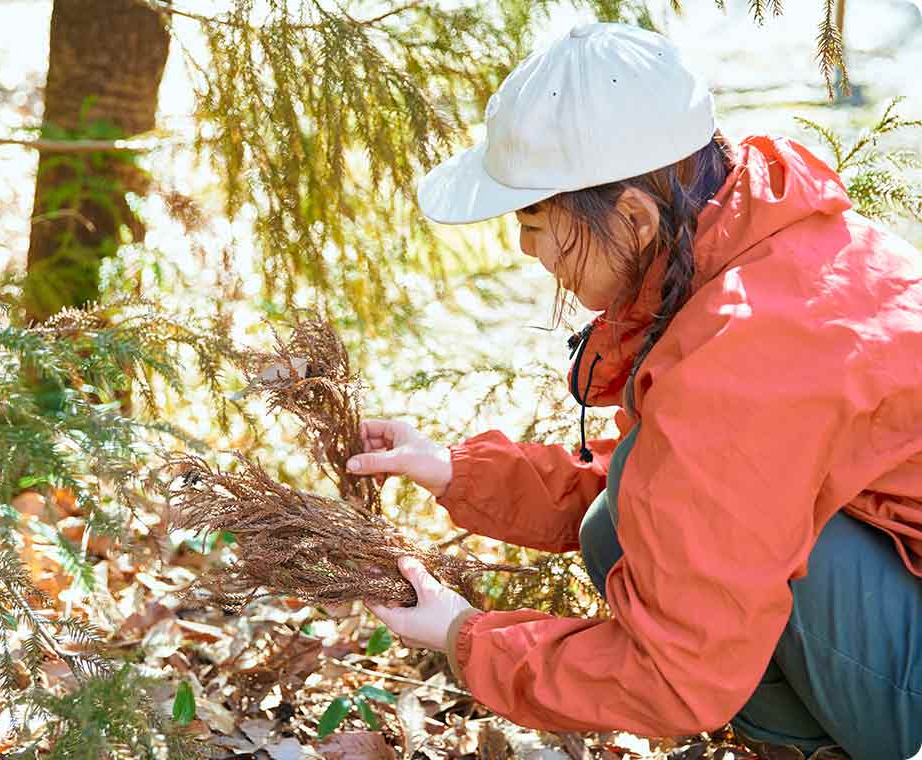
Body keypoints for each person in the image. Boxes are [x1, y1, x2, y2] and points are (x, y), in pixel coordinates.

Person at [346, 22, 922, 760]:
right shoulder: (774, 248)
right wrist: (455, 472)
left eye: (534, 217)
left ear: (633, 217)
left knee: (629, 519)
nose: (525, 247)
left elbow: (678, 678)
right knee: (612, 515)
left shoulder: (745, 358)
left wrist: (468, 639)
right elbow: (675, 488)